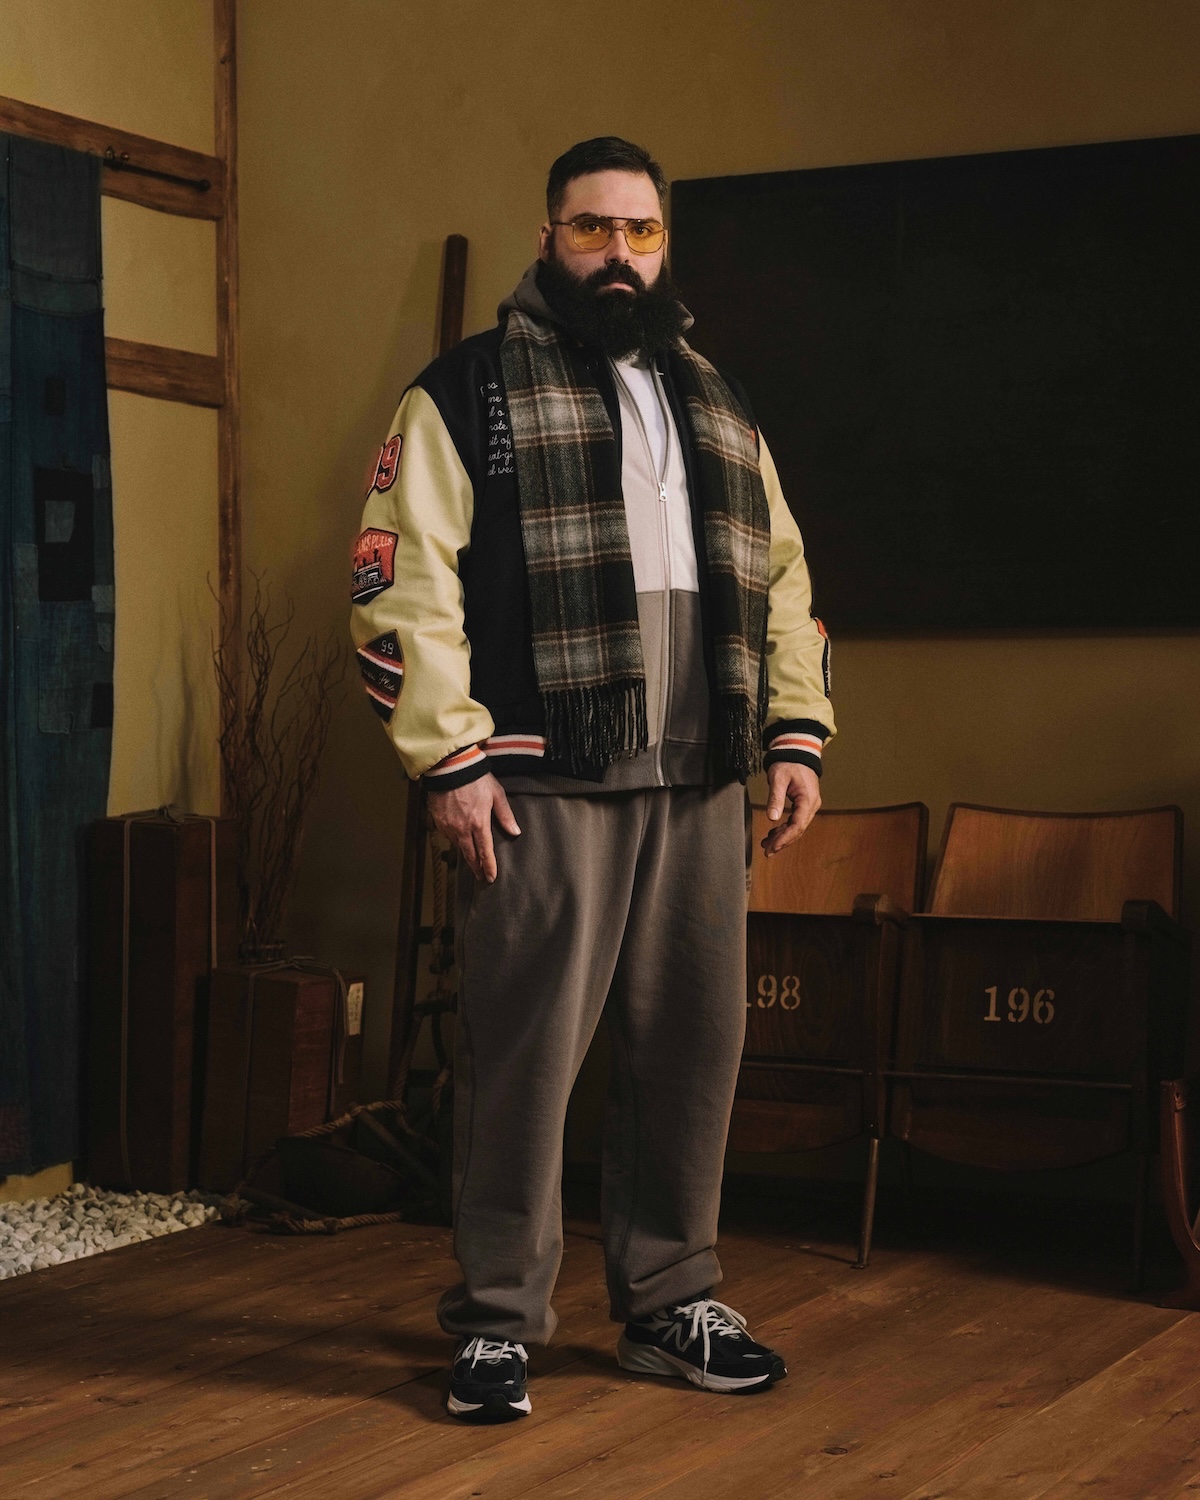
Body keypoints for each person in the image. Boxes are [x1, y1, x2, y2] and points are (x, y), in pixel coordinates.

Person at [351, 136, 835, 1424]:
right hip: (541, 781)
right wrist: (449, 759)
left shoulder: (716, 401)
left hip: (700, 776)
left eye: (640, 231)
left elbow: (783, 575)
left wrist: (794, 730)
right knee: (523, 1062)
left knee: (693, 1053)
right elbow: (401, 585)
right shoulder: (464, 394)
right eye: (591, 228)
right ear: (549, 236)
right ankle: (497, 1324)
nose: (617, 252)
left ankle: (671, 1303)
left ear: (663, 245)